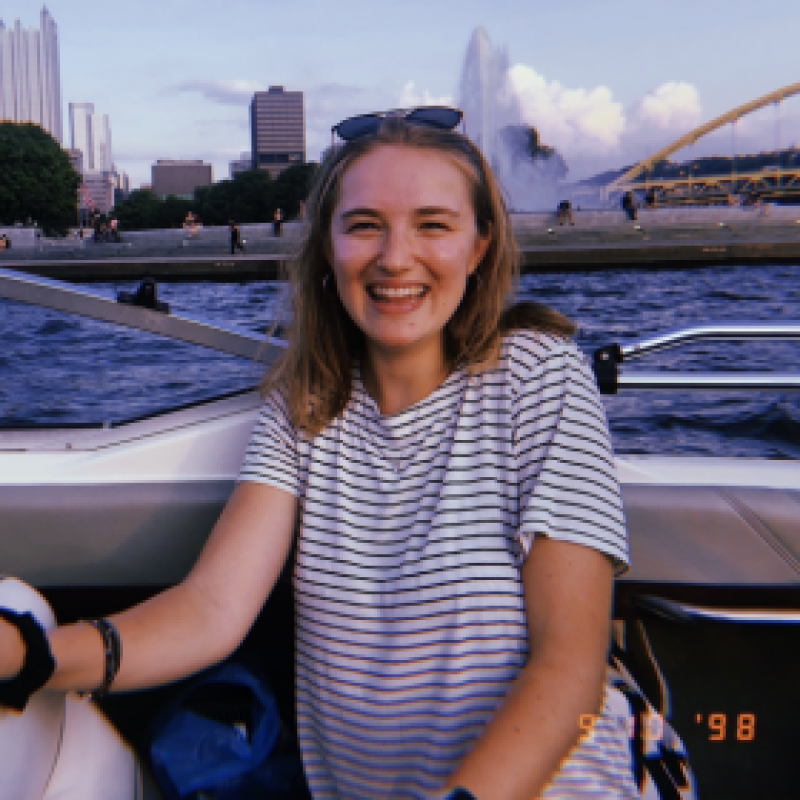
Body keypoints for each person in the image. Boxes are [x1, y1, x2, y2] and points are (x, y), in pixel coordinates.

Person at [1, 112, 691, 799]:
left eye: (433, 224)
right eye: (364, 225)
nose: (395, 257)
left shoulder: (539, 376)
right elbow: (211, 608)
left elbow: (569, 666)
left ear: (480, 246)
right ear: (329, 249)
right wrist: (32, 656)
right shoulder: (305, 407)